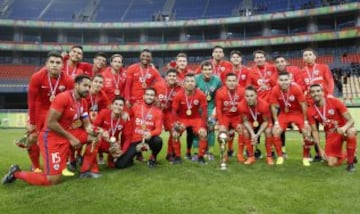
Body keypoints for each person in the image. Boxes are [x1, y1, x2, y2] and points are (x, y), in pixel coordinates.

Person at [3, 75, 96, 185]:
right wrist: (71, 138)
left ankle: (84, 171)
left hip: (66, 134)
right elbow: (50, 123)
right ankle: (16, 173)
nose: (88, 89)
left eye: (89, 86)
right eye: (85, 85)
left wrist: (93, 130)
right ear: (76, 85)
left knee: (95, 137)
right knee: (52, 180)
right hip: (52, 137)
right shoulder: (63, 98)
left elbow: (87, 124)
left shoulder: (83, 102)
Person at [19, 51, 74, 173]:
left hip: (58, 113)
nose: (55, 65)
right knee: (33, 137)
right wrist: (32, 121)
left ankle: (63, 166)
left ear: (63, 65)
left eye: (58, 62)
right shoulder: (37, 77)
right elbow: (31, 101)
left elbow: (70, 102)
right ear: (46, 64)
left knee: (62, 138)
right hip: (41, 111)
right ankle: (36, 166)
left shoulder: (69, 80)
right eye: (52, 62)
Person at [307, 84, 356, 172]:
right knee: (331, 163)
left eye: (318, 91)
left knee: (351, 131)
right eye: (313, 92)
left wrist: (344, 128)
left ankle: (350, 164)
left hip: (344, 130)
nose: (316, 93)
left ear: (322, 92)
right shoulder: (310, 111)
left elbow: (351, 120)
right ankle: (349, 154)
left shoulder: (334, 101)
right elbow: (314, 131)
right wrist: (319, 149)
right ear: (310, 94)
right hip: (332, 134)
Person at [80, 96, 132, 176]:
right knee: (95, 139)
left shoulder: (125, 118)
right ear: (111, 105)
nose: (118, 107)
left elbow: (128, 138)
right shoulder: (104, 112)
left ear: (123, 107)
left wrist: (122, 151)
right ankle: (92, 167)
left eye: (121, 105)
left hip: (111, 144)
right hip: (100, 141)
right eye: (116, 104)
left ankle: (111, 160)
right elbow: (93, 127)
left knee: (118, 158)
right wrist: (102, 131)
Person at [300, 48, 335, 161]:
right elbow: (302, 88)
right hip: (311, 105)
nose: (308, 56)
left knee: (329, 128)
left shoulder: (323, 67)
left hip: (324, 103)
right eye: (305, 55)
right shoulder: (302, 72)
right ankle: (318, 154)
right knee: (312, 130)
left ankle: (330, 151)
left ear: (315, 56)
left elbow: (329, 81)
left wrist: (329, 94)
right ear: (303, 58)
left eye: (310, 54)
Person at [115, 88, 163, 169]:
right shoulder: (136, 106)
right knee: (120, 165)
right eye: (147, 94)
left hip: (148, 139)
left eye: (151, 95)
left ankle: (153, 157)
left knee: (158, 141)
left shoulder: (158, 112)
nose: (149, 97)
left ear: (155, 97)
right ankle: (132, 157)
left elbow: (158, 129)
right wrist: (125, 114)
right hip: (135, 140)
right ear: (143, 96)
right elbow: (127, 116)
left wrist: (150, 133)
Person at [270, 71, 311, 166]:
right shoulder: (275, 90)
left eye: (286, 80)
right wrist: (276, 122)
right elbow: (273, 106)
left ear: (290, 80)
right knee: (276, 131)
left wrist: (305, 121)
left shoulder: (296, 88)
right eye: (281, 80)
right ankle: (280, 156)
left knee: (306, 132)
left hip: (297, 113)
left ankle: (305, 157)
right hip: (284, 113)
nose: (284, 82)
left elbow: (303, 105)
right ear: (278, 81)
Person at [171, 73, 208, 164]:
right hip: (182, 119)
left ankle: (200, 157)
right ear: (183, 83)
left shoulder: (201, 94)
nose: (190, 83)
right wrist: (176, 124)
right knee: (175, 134)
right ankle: (177, 157)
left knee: (203, 134)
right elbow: (174, 111)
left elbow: (204, 111)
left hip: (196, 119)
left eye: (192, 81)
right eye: (188, 81)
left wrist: (203, 126)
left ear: (195, 83)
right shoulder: (178, 95)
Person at [239, 86, 274, 165]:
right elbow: (245, 121)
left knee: (268, 131)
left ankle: (269, 156)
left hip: (263, 122)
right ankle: (251, 157)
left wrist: (257, 134)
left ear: (256, 95)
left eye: (252, 95)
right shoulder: (241, 105)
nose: (249, 98)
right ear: (244, 96)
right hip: (251, 122)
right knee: (245, 131)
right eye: (247, 96)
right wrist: (252, 134)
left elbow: (266, 122)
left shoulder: (264, 105)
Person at [194, 61, 222, 160]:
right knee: (197, 130)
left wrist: (214, 112)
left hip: (211, 108)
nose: (207, 71)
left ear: (212, 70)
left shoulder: (217, 80)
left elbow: (219, 97)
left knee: (211, 129)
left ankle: (210, 152)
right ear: (201, 70)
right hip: (198, 109)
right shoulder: (196, 79)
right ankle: (196, 153)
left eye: (209, 69)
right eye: (205, 69)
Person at [153, 69, 182, 161]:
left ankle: (170, 153)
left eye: (174, 76)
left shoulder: (179, 88)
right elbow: (150, 95)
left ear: (176, 78)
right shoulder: (158, 85)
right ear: (166, 77)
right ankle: (152, 156)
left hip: (169, 112)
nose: (172, 78)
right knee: (154, 133)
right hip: (157, 111)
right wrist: (156, 101)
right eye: (170, 76)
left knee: (175, 131)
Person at [215, 73, 244, 162]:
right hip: (225, 116)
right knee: (222, 134)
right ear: (225, 82)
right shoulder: (220, 92)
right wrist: (221, 123)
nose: (231, 83)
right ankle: (224, 154)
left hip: (237, 116)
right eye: (229, 81)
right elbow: (219, 109)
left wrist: (240, 122)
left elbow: (243, 109)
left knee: (242, 130)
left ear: (237, 82)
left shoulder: (242, 91)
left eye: (234, 81)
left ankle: (240, 154)